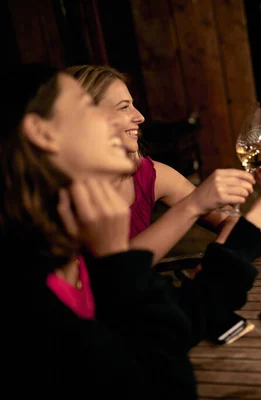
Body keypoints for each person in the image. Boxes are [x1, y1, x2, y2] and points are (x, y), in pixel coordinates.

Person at [3, 63, 261, 398]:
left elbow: (178, 320)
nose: (135, 119)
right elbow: (167, 380)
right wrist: (118, 262)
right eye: (87, 108)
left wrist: (254, 224)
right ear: (42, 133)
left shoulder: (72, 257)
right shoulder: (30, 300)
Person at [65, 64, 247, 265]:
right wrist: (191, 206)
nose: (140, 117)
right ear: (87, 119)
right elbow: (114, 275)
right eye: (124, 107)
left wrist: (212, 262)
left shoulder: (146, 173)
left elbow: (230, 220)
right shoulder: (60, 194)